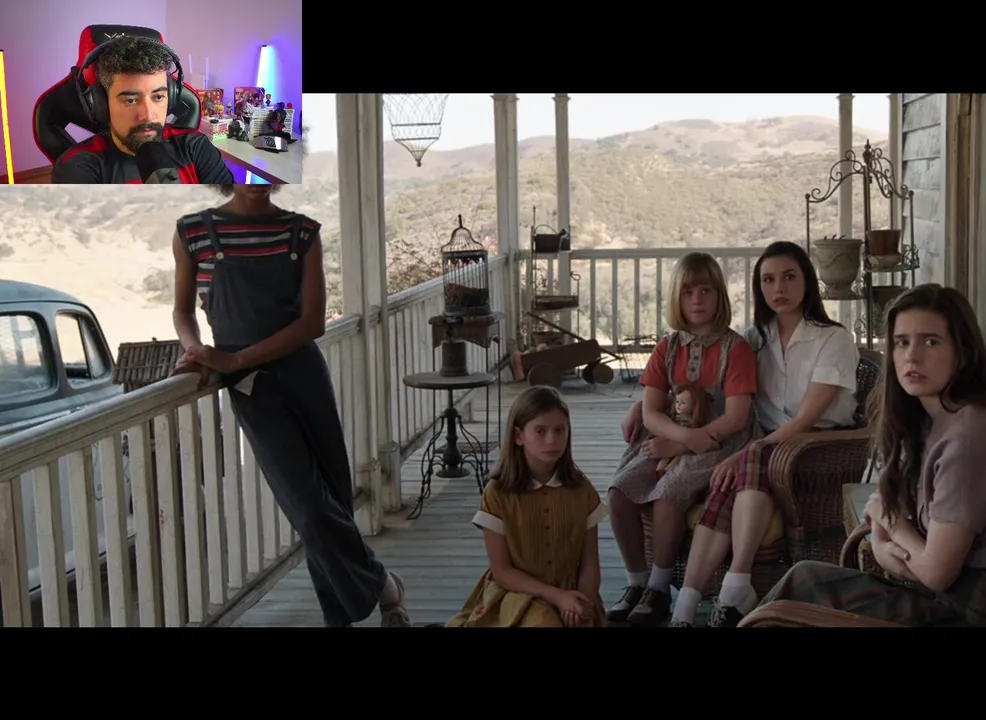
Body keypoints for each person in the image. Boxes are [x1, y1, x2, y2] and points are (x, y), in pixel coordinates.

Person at [751, 283, 986, 627]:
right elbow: (888, 521)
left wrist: (891, 525)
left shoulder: (971, 437)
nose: (912, 356)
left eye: (931, 342)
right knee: (805, 580)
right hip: (956, 593)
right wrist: (884, 542)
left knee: (803, 588)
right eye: (902, 342)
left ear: (963, 353)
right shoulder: (935, 421)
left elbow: (933, 570)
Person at [170, 184, 411, 628]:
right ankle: (384, 585)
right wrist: (195, 349)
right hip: (253, 390)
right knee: (310, 509)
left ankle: (339, 618)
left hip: (302, 374)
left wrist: (234, 360)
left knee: (334, 497)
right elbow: (183, 311)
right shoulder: (193, 232)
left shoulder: (301, 232)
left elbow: (313, 322)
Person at [659, 241, 862, 627]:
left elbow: (807, 418)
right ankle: (693, 603)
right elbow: (710, 386)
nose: (778, 287)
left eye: (789, 277)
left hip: (819, 448)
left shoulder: (832, 338)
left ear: (807, 282)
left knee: (748, 459)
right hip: (767, 448)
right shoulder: (755, 339)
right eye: (768, 280)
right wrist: (643, 408)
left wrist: (751, 449)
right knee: (729, 484)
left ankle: (728, 588)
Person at [607, 252, 757, 626]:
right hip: (672, 434)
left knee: (669, 493)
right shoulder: (668, 347)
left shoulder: (735, 348)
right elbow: (651, 411)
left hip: (720, 440)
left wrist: (687, 443)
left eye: (706, 291)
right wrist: (681, 438)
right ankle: (636, 581)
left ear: (719, 295)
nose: (697, 300)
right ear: (677, 297)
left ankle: (659, 588)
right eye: (688, 292)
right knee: (620, 492)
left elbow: (736, 416)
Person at [448, 386, 608, 627]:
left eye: (559, 430)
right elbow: (502, 571)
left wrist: (582, 602)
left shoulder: (581, 490)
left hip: (572, 592)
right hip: (519, 593)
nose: (551, 440)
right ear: (518, 436)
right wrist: (556, 596)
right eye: (540, 431)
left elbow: (590, 564)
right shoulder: (498, 494)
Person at [52, 36, 234, 184]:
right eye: (130, 100)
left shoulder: (195, 147)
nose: (148, 116)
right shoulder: (77, 168)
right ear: (101, 104)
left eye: (158, 97)